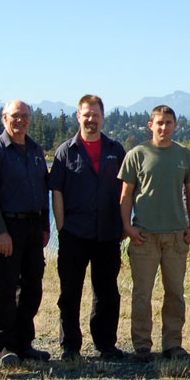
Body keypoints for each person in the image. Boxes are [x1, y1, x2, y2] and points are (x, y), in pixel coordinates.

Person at [118, 105, 190, 362]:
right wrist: (128, 227)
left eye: (168, 122)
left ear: (176, 125)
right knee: (142, 294)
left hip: (176, 236)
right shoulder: (137, 154)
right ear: (150, 125)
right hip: (144, 236)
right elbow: (126, 195)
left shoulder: (184, 155)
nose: (164, 127)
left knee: (175, 293)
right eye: (159, 122)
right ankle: (142, 345)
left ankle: (173, 344)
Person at [48, 95, 126, 361]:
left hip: (107, 233)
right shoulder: (65, 151)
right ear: (78, 117)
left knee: (106, 293)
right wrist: (61, 227)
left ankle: (105, 344)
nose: (91, 119)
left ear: (103, 117)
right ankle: (70, 346)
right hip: (74, 233)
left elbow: (126, 190)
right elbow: (56, 191)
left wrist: (124, 224)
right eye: (86, 114)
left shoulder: (116, 150)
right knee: (70, 293)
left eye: (95, 114)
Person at [0, 100, 52, 366]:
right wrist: (0, 232)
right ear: (4, 118)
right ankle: (5, 345)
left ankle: (25, 343)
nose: (20, 121)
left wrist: (45, 226)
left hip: (34, 228)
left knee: (33, 287)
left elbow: (43, 191)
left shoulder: (34, 149)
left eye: (25, 116)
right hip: (8, 227)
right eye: (15, 116)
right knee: (7, 287)